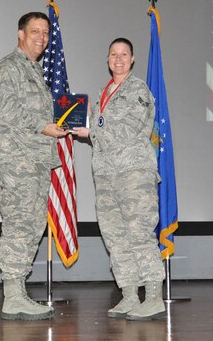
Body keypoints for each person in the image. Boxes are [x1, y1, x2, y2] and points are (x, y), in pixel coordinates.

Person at [72, 38, 166, 321]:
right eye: (114, 54)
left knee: (138, 233)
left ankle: (153, 297)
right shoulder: (103, 93)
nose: (119, 59)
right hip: (106, 175)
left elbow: (126, 129)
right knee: (114, 236)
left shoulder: (137, 89)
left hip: (133, 174)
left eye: (124, 54)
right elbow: (100, 127)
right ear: (108, 59)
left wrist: (91, 134)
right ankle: (128, 295)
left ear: (133, 59)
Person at [0, 12, 68, 321]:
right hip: (18, 163)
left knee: (30, 227)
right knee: (19, 226)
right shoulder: (9, 68)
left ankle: (18, 292)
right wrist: (42, 125)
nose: (42, 37)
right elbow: (3, 107)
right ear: (20, 34)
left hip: (34, 162)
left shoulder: (34, 71)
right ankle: (12, 295)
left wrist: (63, 121)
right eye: (35, 31)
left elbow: (40, 117)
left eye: (46, 33)